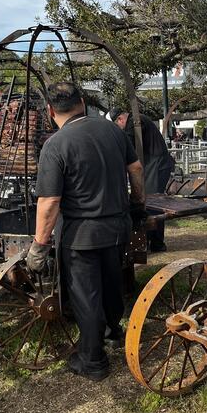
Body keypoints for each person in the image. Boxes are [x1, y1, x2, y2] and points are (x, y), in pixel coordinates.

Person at [27, 83, 145, 381]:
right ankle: (111, 331)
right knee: (112, 282)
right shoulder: (113, 131)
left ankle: (92, 360)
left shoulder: (56, 144)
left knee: (86, 296)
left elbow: (50, 201)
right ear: (82, 102)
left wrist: (39, 246)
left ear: (51, 111)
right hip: (118, 227)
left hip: (82, 235)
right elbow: (136, 169)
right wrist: (137, 201)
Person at [107, 107, 175, 252]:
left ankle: (157, 243)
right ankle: (151, 240)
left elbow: (128, 145)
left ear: (120, 119)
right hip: (153, 165)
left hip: (156, 165)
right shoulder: (137, 120)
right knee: (149, 202)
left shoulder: (135, 122)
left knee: (153, 202)